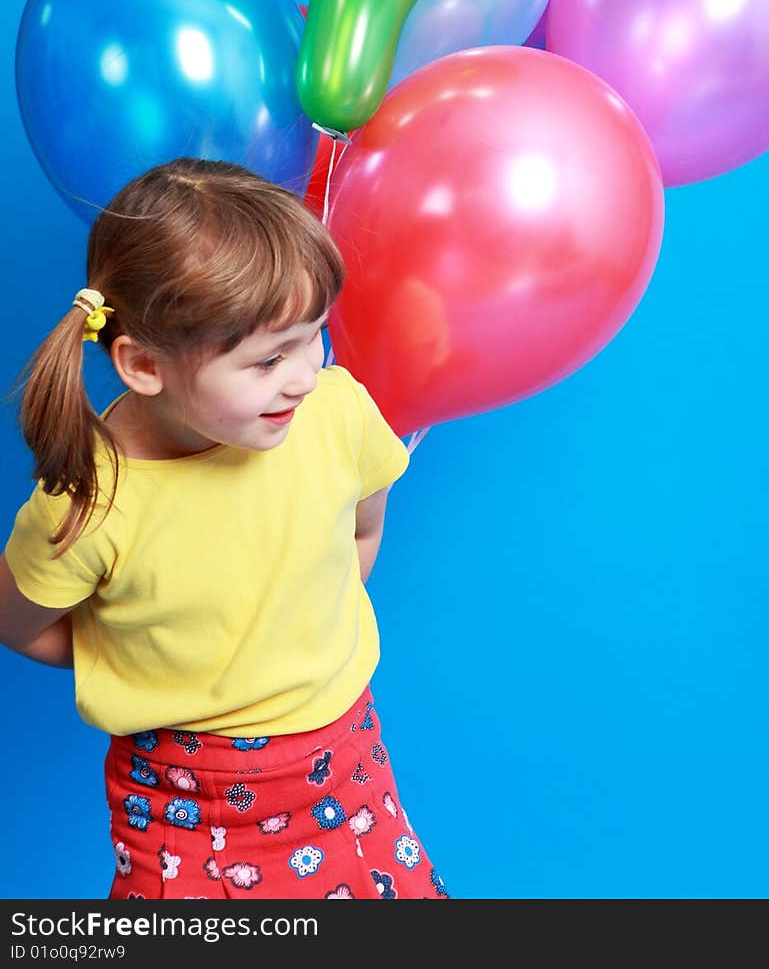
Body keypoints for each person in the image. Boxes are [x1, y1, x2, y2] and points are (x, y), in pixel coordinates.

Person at [0, 157, 449, 900]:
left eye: (313, 337)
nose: (305, 374)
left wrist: (290, 631)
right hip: (188, 794)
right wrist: (145, 661)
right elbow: (20, 624)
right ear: (144, 365)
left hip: (344, 762)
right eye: (269, 358)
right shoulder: (89, 504)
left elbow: (360, 536)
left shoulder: (335, 414)